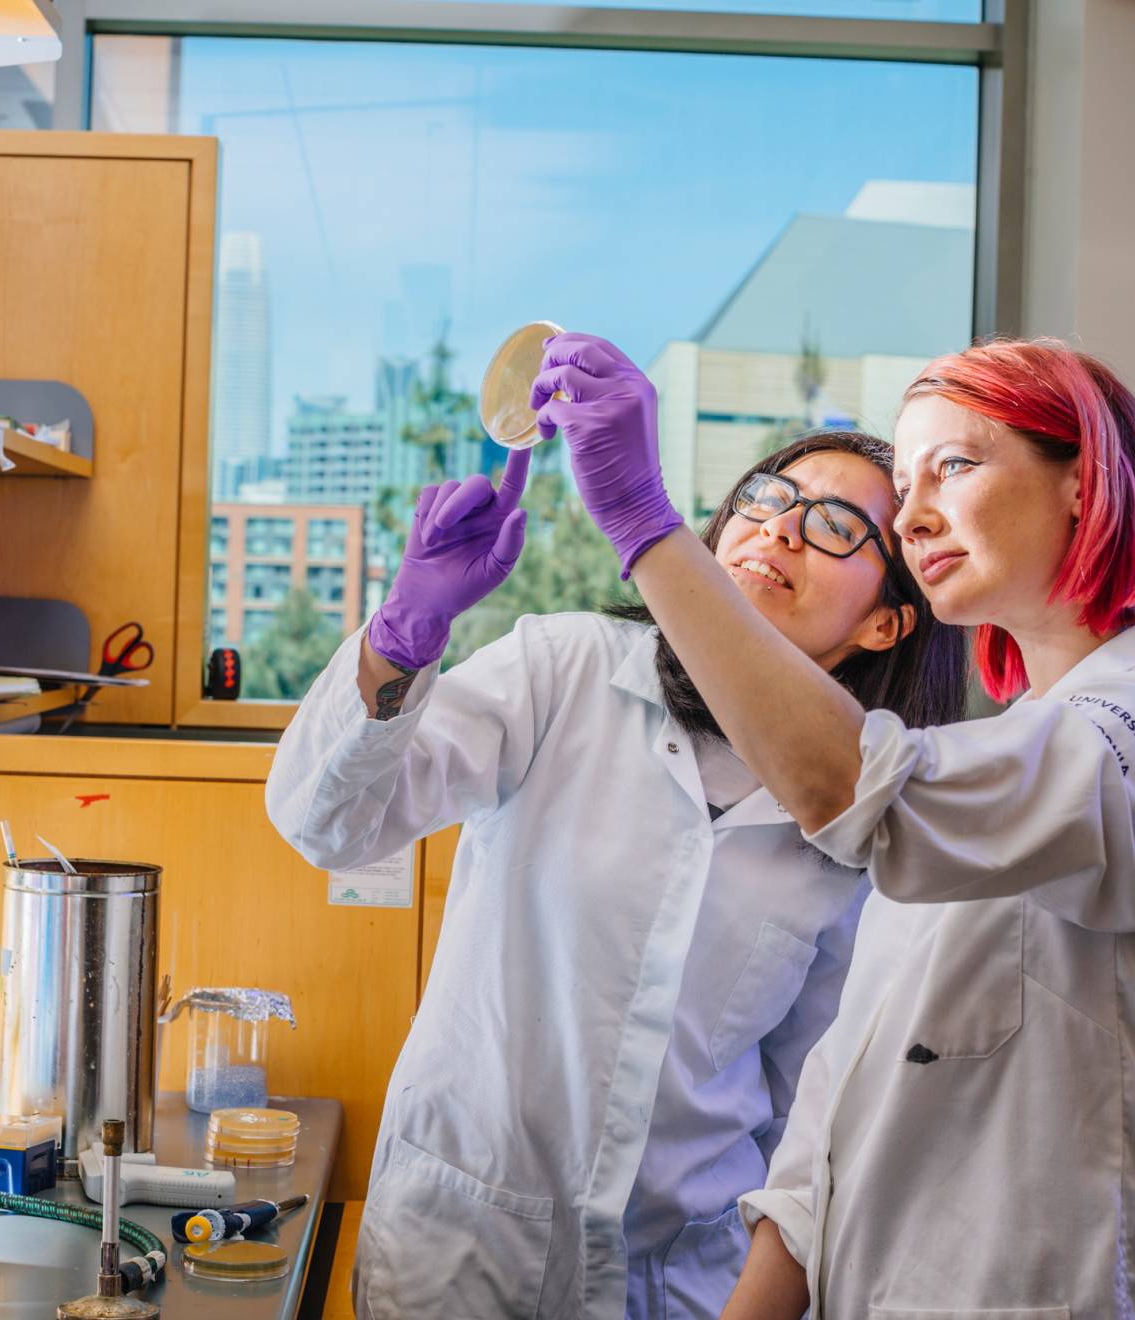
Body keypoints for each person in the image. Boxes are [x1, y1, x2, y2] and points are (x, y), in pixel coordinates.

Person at [265, 428, 965, 1318]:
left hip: (682, 1279)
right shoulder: (564, 669)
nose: (782, 530)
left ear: (885, 620)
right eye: (768, 497)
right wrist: (402, 637)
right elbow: (326, 824)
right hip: (460, 1253)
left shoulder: (866, 817)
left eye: (834, 525)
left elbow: (807, 1110)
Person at [535, 332, 1135, 1317]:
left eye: (956, 463)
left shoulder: (1113, 739)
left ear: (1086, 481)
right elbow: (832, 1122)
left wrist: (647, 524)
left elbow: (852, 786)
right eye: (906, 485)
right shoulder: (1017, 748)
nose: (914, 514)